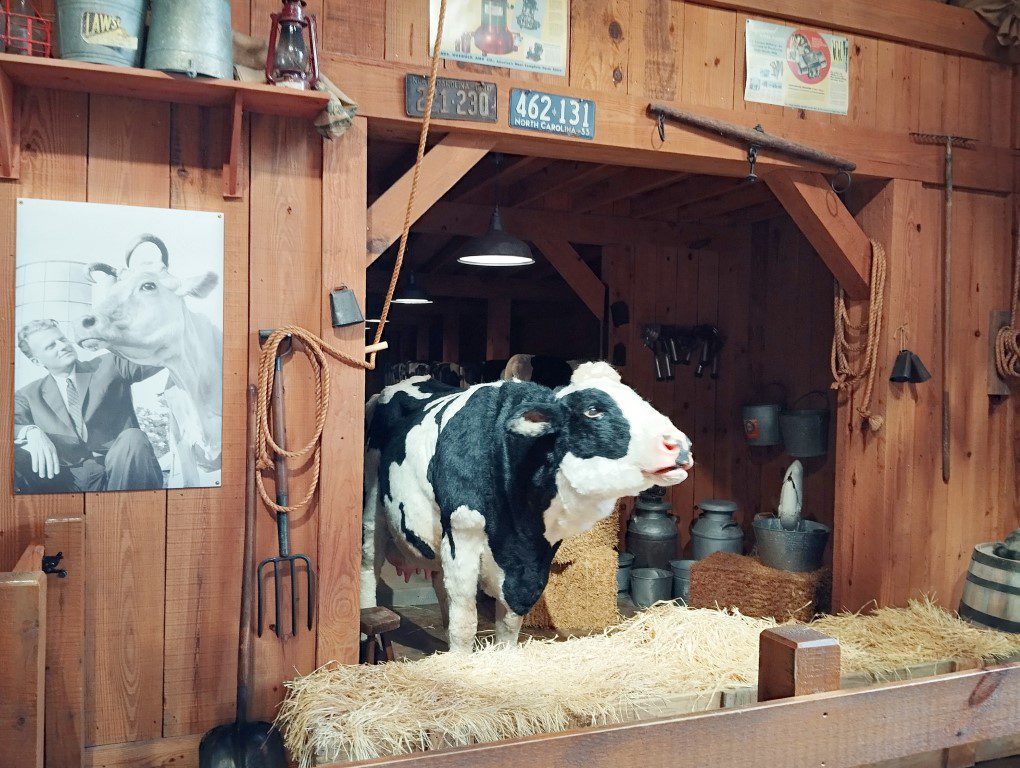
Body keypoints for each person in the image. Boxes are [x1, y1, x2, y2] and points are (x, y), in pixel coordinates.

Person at [14, 319, 165, 493]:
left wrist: (114, 337)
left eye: (62, 339)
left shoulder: (110, 365)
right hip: (64, 480)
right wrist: (31, 431)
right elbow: (6, 425)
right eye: (51, 346)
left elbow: (155, 354)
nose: (62, 346)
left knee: (133, 438)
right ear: (37, 361)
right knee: (13, 455)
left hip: (120, 469)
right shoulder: (28, 395)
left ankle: (125, 515)